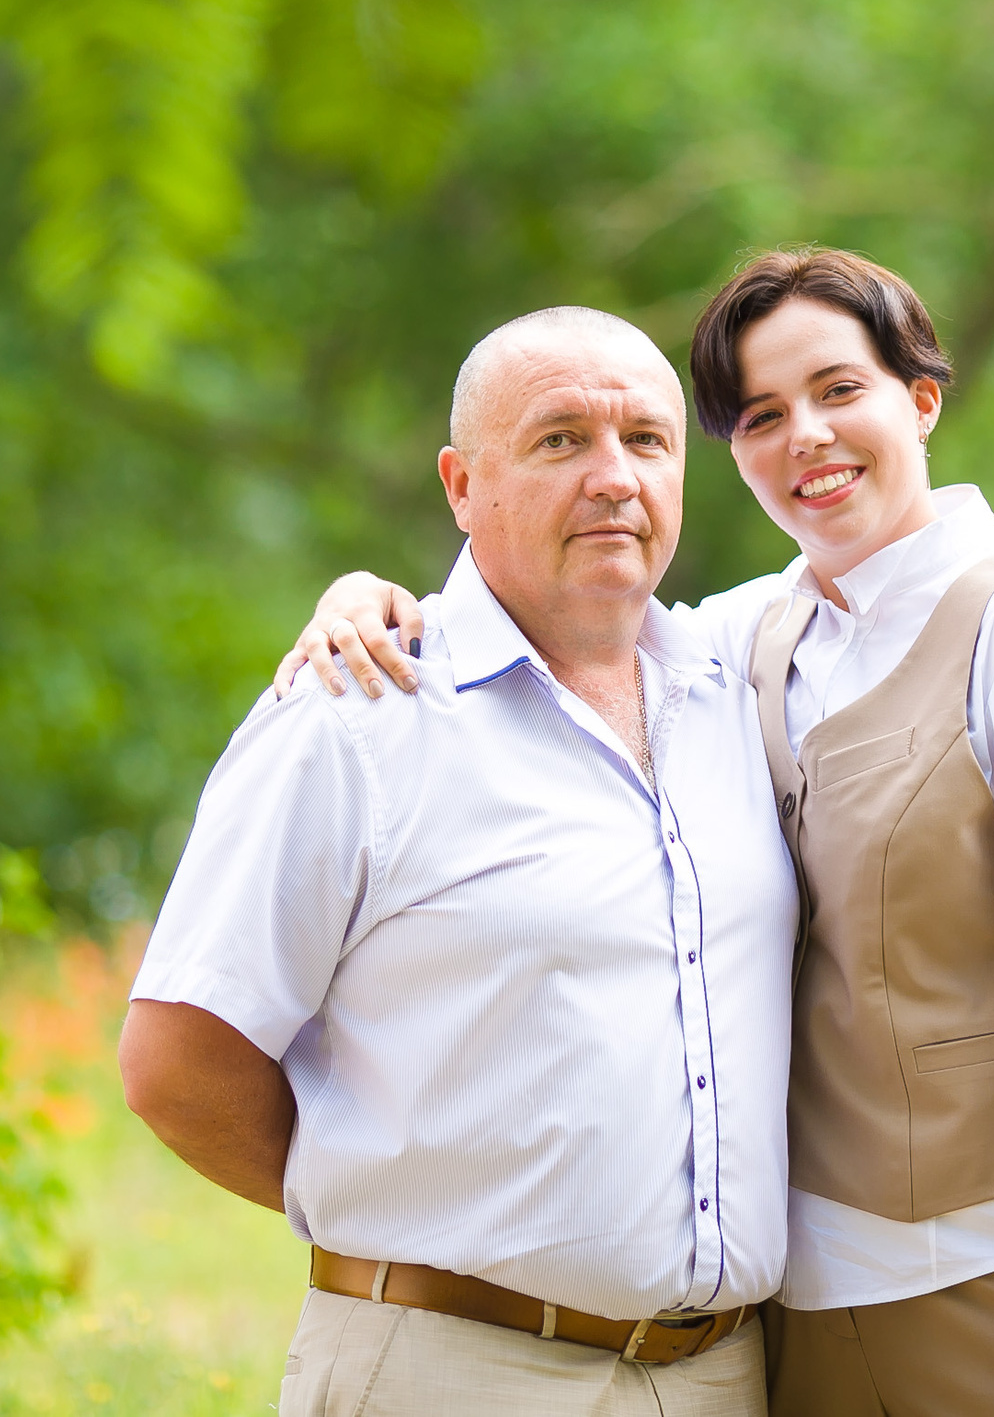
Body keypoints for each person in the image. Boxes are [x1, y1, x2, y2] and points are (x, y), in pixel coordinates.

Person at [278, 249, 994, 1417]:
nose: (804, 437)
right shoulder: (746, 638)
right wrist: (366, 595)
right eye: (760, 416)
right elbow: (549, 615)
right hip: (804, 1323)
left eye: (838, 390)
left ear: (920, 398)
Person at [125, 307, 797, 1416]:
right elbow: (174, 1064)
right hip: (451, 1369)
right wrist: (403, 1213)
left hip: (724, 1379)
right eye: (559, 439)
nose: (614, 477)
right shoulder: (356, 717)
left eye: (647, 440)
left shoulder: (742, 691)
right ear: (461, 486)